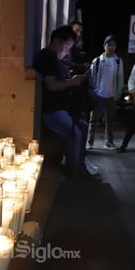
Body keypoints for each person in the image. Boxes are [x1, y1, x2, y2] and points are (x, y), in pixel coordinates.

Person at [32, 25, 95, 179]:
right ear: (56, 41)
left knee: (83, 126)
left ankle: (79, 166)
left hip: (60, 108)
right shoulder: (47, 56)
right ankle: (74, 169)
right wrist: (72, 82)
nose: (67, 51)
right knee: (75, 131)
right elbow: (51, 84)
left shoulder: (55, 59)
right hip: (51, 110)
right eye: (66, 46)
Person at [86, 35, 124, 150]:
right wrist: (94, 91)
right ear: (104, 46)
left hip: (111, 95)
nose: (111, 47)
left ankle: (109, 142)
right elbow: (92, 77)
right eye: (109, 45)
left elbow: (120, 77)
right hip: (99, 94)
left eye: (113, 45)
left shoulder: (118, 61)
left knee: (110, 120)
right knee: (93, 120)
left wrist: (118, 93)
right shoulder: (97, 61)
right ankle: (90, 142)